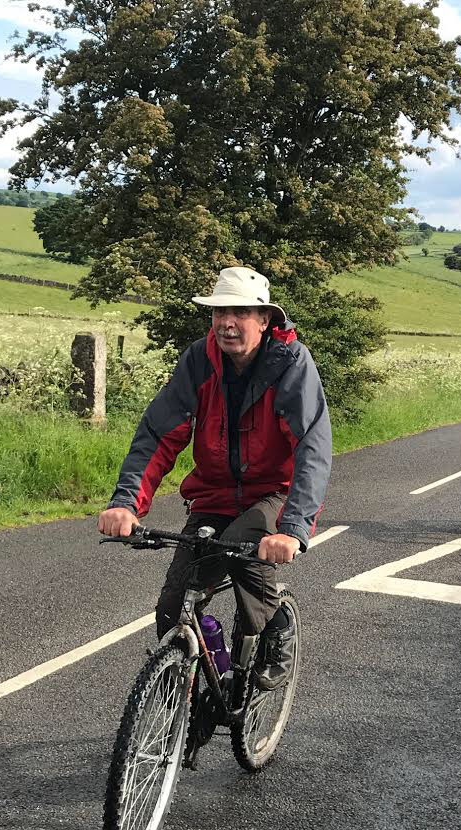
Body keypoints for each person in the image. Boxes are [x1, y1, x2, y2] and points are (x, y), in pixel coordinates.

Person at [98, 266, 332, 691]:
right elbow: (158, 434)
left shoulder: (290, 363)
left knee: (244, 543)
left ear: (265, 319)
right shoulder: (199, 361)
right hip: (214, 495)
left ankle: (277, 625)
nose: (227, 322)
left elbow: (311, 449)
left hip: (272, 493)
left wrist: (293, 529)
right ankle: (187, 702)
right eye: (220, 312)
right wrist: (126, 503)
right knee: (173, 608)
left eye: (240, 312)